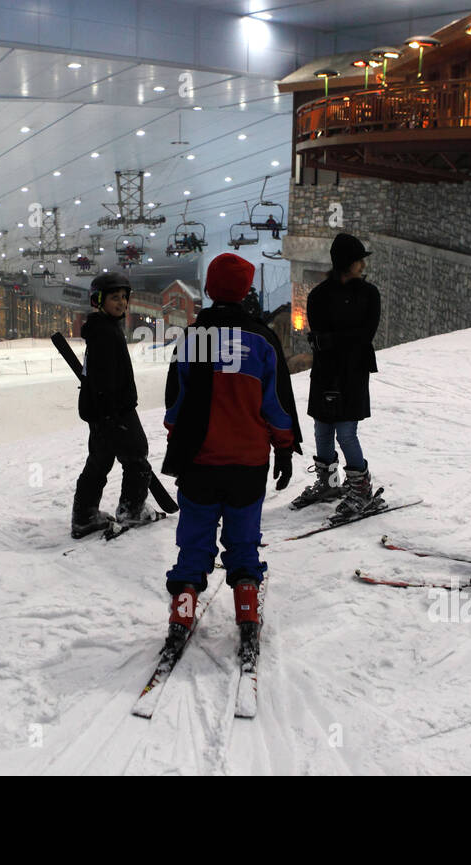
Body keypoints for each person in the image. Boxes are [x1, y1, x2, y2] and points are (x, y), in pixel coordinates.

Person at [160, 253, 301, 654]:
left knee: (194, 546)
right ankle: (247, 614)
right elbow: (277, 406)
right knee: (242, 545)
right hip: (248, 466)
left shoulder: (191, 339)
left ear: (208, 290)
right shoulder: (262, 341)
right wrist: (285, 450)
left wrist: (186, 439)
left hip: (199, 465)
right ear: (246, 291)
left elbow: (174, 408)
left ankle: (182, 614)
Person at [293, 232, 381, 518]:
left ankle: (361, 490)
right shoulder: (320, 295)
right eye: (358, 261)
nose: (363, 266)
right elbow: (327, 336)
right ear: (346, 263)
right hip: (327, 370)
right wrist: (338, 339)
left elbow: (365, 335)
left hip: (352, 372)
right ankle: (329, 484)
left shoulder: (369, 294)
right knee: (322, 428)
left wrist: (332, 340)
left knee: (345, 431)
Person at [71, 271, 154, 538]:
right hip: (115, 411)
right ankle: (131, 510)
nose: (122, 303)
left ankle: (84, 516)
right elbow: (106, 380)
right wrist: (114, 415)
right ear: (98, 300)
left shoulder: (101, 330)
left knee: (100, 460)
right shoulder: (106, 333)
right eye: (114, 298)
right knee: (137, 457)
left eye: (124, 298)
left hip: (101, 412)